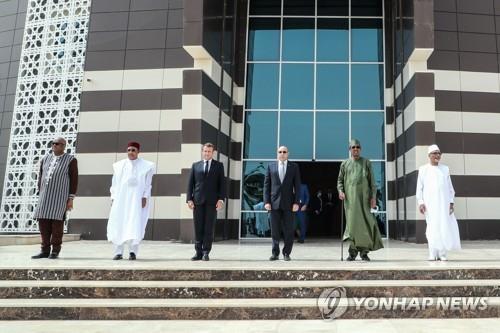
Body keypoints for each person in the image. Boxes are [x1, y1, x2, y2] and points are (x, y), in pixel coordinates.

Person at [107, 142, 155, 260]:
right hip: (121, 199)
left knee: (135, 223)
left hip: (136, 199)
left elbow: (148, 184)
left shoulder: (147, 166)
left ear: (138, 152)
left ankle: (133, 252)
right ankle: (118, 252)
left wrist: (144, 197)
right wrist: (113, 197)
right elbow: (114, 183)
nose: (130, 152)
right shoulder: (119, 166)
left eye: (133, 150)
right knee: (119, 222)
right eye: (128, 150)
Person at [31, 137, 78, 259]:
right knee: (43, 224)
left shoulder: (71, 160)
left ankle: (55, 250)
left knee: (57, 226)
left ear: (63, 146)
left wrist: (71, 198)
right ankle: (44, 250)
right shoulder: (45, 158)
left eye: (57, 144)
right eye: (53, 143)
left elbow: (74, 180)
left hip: (60, 198)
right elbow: (40, 177)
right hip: (44, 197)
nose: (54, 145)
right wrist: (40, 193)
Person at [337, 139, 383, 261]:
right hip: (351, 202)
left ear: (360, 149)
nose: (355, 149)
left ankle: (364, 252)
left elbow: (372, 182)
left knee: (365, 226)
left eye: (357, 147)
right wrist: (340, 191)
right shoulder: (345, 164)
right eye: (353, 147)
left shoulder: (366, 162)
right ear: (350, 149)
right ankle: (352, 253)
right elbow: (340, 181)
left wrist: (373, 197)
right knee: (352, 227)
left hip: (364, 200)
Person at [416, 144, 461, 261]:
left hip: (444, 204)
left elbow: (450, 189)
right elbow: (419, 188)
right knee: (432, 228)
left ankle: (442, 253)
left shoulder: (445, 169)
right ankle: (432, 253)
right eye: (435, 153)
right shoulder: (423, 169)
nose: (437, 155)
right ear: (429, 155)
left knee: (444, 227)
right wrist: (421, 202)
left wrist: (451, 203)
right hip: (430, 206)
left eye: (439, 153)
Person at [186, 143, 226, 261]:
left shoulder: (219, 166)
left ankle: (206, 252)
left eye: (209, 151)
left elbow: (222, 185)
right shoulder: (195, 166)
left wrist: (221, 199)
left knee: (209, 228)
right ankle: (198, 252)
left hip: (212, 202)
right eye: (205, 151)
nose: (206, 153)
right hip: (197, 201)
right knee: (198, 227)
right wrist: (189, 199)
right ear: (202, 151)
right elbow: (190, 184)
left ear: (213, 152)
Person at [264, 146, 301, 261]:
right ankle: (275, 253)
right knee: (275, 230)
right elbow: (266, 186)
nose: (282, 154)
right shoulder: (271, 166)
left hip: (289, 204)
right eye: (280, 152)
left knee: (289, 230)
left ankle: (286, 253)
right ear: (277, 153)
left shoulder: (294, 167)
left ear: (288, 154)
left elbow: (297, 186)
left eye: (284, 152)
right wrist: (266, 202)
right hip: (274, 204)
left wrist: (296, 202)